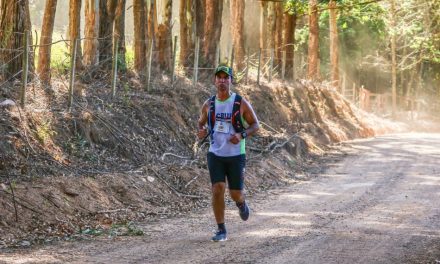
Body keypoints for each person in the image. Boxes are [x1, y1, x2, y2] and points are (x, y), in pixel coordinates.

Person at [197, 64, 260, 242]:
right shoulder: (208, 104)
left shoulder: (240, 103)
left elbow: (256, 125)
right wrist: (201, 131)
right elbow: (201, 123)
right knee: (217, 189)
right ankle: (221, 229)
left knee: (235, 193)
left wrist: (241, 135)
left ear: (231, 80)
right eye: (219, 77)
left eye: (226, 77)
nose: (222, 80)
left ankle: (241, 203)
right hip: (215, 154)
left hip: (235, 155)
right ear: (215, 80)